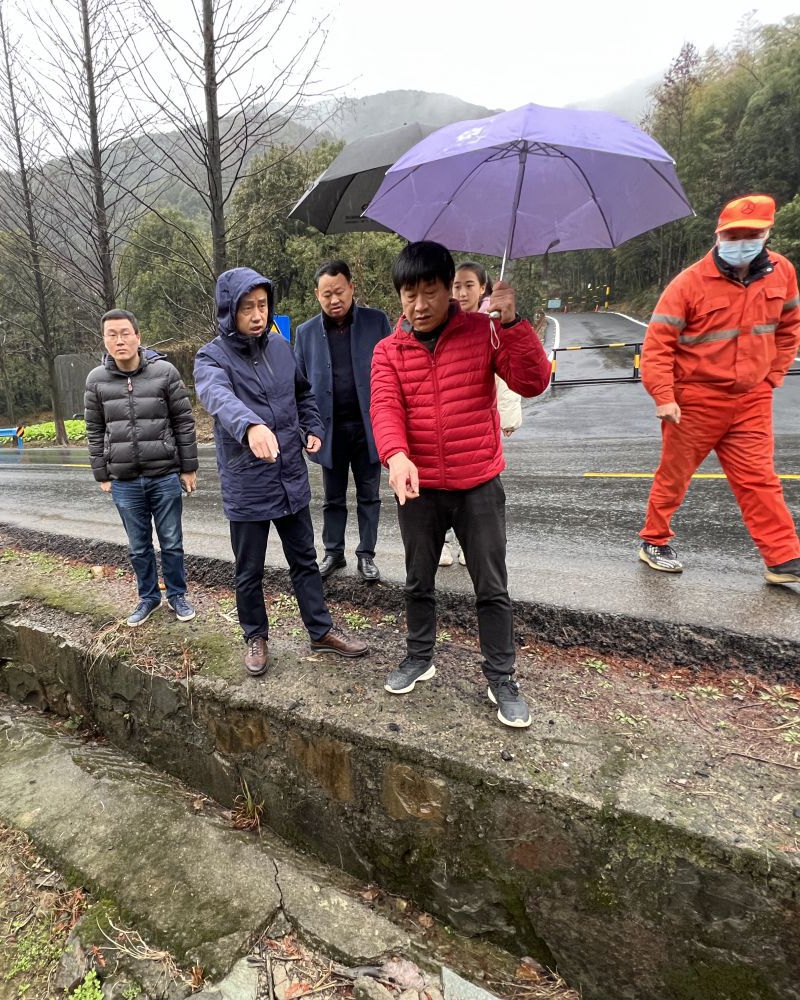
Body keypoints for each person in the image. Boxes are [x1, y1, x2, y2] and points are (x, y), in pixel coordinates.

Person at [370, 241, 551, 728]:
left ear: (449, 290)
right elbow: (385, 407)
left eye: (430, 292)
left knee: (491, 586)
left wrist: (513, 325)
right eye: (409, 294)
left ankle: (501, 677)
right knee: (418, 579)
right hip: (420, 486)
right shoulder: (388, 350)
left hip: (478, 483)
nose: (420, 305)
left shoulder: (483, 331)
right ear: (399, 296)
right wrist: (396, 456)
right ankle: (419, 657)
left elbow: (533, 382)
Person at [638, 193, 800, 586]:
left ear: (767, 234)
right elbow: (658, 345)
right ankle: (654, 540)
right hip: (695, 399)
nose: (741, 242)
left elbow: (790, 328)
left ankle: (783, 558)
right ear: (718, 235)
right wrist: (664, 396)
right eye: (732, 235)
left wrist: (772, 376)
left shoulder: (782, 272)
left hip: (751, 398)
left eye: (751, 234)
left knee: (760, 479)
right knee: (675, 475)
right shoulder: (689, 283)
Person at [194, 267, 369, 676]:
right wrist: (250, 426)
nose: (257, 315)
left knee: (305, 560)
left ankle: (320, 631)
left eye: (262, 305)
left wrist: (312, 427)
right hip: (247, 481)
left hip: (289, 474)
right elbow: (216, 396)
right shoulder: (211, 357)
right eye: (247, 308)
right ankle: (255, 636)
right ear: (229, 310)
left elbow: (303, 394)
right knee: (249, 570)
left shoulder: (279, 346)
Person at [85, 309, 200, 626]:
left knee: (172, 542)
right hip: (123, 480)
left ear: (138, 336)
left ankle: (176, 595)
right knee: (138, 547)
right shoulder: (96, 380)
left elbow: (183, 422)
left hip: (164, 475)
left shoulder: (164, 372)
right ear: (104, 340)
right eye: (112, 335)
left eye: (125, 333)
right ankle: (148, 597)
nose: (119, 340)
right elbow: (94, 429)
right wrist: (102, 473)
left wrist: (188, 467)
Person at [293, 260, 392, 583]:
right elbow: (299, 387)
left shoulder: (376, 322)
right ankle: (334, 552)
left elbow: (393, 372)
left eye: (339, 292)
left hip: (369, 426)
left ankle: (366, 555)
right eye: (327, 294)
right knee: (332, 498)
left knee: (369, 495)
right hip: (329, 429)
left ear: (351, 288)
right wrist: (307, 429)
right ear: (317, 295)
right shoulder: (306, 333)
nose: (334, 300)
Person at [442, 261, 525, 567]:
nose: (462, 293)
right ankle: (444, 542)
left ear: (482, 289)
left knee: (475, 489)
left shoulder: (494, 323)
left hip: (480, 421)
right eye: (457, 286)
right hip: (448, 421)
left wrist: (509, 416)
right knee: (442, 487)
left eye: (469, 285)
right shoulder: (441, 321)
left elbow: (508, 378)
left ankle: (468, 544)